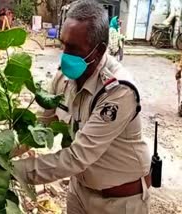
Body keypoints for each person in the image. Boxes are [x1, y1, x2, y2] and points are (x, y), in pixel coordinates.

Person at [13, 1, 151, 213]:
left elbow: (77, 157)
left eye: (74, 49)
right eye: (64, 44)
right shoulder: (64, 78)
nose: (65, 55)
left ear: (99, 50)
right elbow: (39, 127)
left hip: (118, 202)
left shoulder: (118, 91)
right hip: (79, 192)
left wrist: (12, 171)